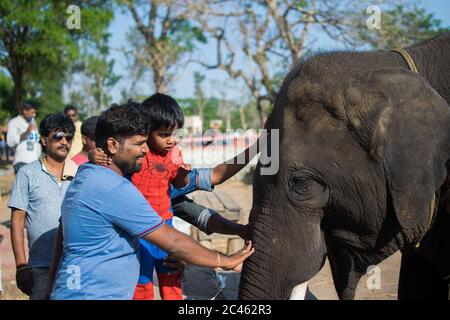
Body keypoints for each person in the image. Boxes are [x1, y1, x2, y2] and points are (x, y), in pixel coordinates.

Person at [49, 103, 253, 300]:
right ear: (112, 145)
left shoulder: (85, 175)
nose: (146, 151)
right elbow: (173, 241)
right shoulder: (115, 188)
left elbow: (62, 236)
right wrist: (223, 260)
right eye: (139, 144)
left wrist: (49, 290)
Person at [8, 112, 77, 300]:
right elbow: (17, 222)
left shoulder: (79, 175)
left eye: (68, 137)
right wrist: (22, 266)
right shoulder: (27, 174)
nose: (64, 142)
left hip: (72, 265)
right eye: (58, 137)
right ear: (44, 140)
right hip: (39, 266)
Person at [6, 103, 41, 173]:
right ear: (25, 111)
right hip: (22, 162)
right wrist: (26, 132)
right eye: (32, 112)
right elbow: (10, 142)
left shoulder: (33, 122)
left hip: (35, 162)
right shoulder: (14, 122)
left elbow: (36, 140)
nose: (34, 115)